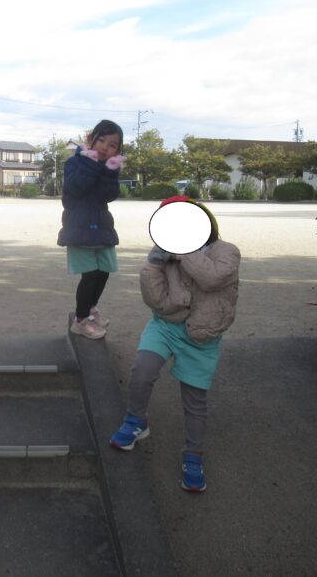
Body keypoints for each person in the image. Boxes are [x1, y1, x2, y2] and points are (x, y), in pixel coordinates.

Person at [109, 196, 240, 493]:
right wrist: (153, 265)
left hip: (203, 333)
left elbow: (211, 279)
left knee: (194, 400)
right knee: (142, 370)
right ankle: (136, 420)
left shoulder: (227, 251)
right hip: (166, 326)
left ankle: (193, 455)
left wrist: (184, 252)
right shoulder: (164, 254)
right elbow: (155, 300)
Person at [58, 119, 126, 339]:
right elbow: (76, 188)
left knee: (103, 272)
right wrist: (91, 163)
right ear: (91, 139)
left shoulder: (109, 167)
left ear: (118, 150)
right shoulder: (74, 163)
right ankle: (80, 320)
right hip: (79, 227)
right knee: (89, 276)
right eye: (102, 140)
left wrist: (110, 172)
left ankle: (90, 308)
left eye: (112, 145)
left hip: (102, 227)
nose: (105, 147)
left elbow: (108, 196)